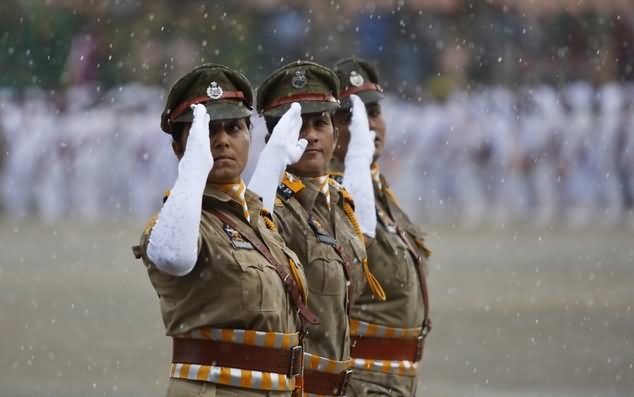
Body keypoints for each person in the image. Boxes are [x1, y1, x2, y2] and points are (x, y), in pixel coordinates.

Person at [132, 63, 317, 397]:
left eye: (234, 129)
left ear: (249, 135)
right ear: (179, 147)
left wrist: (274, 160)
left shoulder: (255, 217)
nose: (221, 142)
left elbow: (252, 217)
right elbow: (175, 256)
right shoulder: (180, 223)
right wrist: (193, 168)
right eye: (208, 133)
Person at [248, 60, 385, 397]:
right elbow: (253, 245)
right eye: (297, 125)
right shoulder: (272, 208)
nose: (310, 135)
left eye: (320, 123)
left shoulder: (339, 202)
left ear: (335, 133)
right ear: (274, 138)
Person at [330, 57, 432, 397]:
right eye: (350, 118)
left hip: (394, 383)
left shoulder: (377, 189)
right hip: (358, 383)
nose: (367, 126)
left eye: (373, 114)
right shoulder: (327, 196)